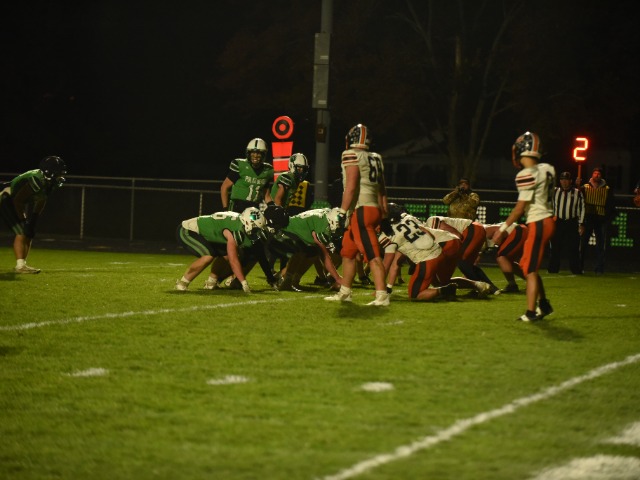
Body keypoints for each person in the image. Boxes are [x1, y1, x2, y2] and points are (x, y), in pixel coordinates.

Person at [492, 131, 556, 322]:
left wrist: (502, 229)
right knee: (530, 266)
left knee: (529, 270)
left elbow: (520, 208)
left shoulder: (526, 174)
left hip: (538, 222)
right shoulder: (548, 169)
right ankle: (543, 304)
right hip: (547, 221)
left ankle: (530, 312)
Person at [324, 124, 390, 306]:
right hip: (372, 209)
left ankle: (382, 295)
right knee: (348, 252)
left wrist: (342, 212)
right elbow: (382, 190)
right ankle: (345, 292)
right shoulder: (376, 157)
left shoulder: (351, 154)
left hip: (361, 210)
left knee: (372, 255)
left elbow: (351, 186)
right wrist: (384, 214)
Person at [174, 207, 269, 292]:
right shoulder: (235, 229)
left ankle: (211, 283)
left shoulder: (240, 223)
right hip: (188, 230)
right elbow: (233, 260)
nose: (256, 232)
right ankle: (182, 283)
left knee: (226, 255)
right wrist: (243, 282)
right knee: (208, 256)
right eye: (255, 228)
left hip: (206, 235)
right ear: (247, 222)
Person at [0, 156, 67, 273]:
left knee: (28, 232)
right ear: (49, 172)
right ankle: (20, 266)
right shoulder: (36, 179)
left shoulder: (48, 182)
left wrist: (34, 218)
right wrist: (24, 220)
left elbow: (42, 199)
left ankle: (22, 264)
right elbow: (18, 201)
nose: (60, 175)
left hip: (12, 200)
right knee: (22, 231)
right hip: (5, 198)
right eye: (58, 172)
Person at [268, 207, 344, 291]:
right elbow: (325, 256)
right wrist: (337, 278)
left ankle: (290, 280)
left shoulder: (327, 215)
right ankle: (283, 280)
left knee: (311, 252)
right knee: (301, 252)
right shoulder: (322, 227)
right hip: (283, 234)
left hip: (290, 231)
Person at [578, 167, 616, 275]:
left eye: (598, 173)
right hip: (588, 217)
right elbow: (578, 198)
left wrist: (606, 217)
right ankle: (580, 266)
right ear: (592, 175)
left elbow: (611, 204)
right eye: (595, 173)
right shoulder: (585, 187)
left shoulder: (607, 189)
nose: (597, 175)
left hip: (600, 218)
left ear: (601, 176)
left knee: (600, 245)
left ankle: (599, 268)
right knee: (583, 243)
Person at [220, 138, 274, 212]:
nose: (255, 155)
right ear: (249, 153)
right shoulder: (241, 166)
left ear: (263, 154)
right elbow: (224, 187)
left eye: (258, 153)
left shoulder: (267, 170)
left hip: (254, 208)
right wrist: (225, 209)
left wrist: (273, 206)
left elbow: (266, 195)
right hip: (237, 206)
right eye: (253, 153)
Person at [548, 171, 584, 274]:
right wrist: (550, 218)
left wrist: (581, 223)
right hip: (558, 222)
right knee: (555, 246)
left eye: (566, 180)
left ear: (570, 181)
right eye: (562, 180)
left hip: (571, 222)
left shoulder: (577, 192)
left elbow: (582, 208)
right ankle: (553, 269)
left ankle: (575, 269)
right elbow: (549, 205)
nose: (564, 182)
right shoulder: (555, 191)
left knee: (573, 247)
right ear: (560, 181)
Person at [484, 222, 528, 293]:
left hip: (518, 231)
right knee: (507, 261)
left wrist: (496, 246)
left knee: (501, 257)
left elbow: (499, 230)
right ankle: (531, 280)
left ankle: (512, 285)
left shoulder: (484, 230)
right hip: (521, 231)